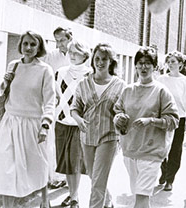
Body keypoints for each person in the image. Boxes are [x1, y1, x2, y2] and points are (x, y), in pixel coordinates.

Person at [0, 31, 55, 208]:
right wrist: (5, 83)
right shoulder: (13, 65)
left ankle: (44, 201)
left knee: (38, 167)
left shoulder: (45, 70)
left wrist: (45, 125)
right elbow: (5, 92)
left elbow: (50, 100)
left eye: (33, 44)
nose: (28, 48)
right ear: (20, 45)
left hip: (33, 124)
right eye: (25, 43)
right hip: (10, 122)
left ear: (39, 47)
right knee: (6, 169)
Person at [113, 47, 179, 208]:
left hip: (152, 151)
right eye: (140, 63)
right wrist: (118, 118)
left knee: (141, 199)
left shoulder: (161, 91)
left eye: (148, 63)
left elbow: (174, 120)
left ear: (155, 67)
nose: (143, 67)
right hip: (130, 149)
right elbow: (117, 110)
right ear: (135, 66)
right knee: (139, 197)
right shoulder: (128, 90)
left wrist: (151, 121)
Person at [71, 43, 126, 208]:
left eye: (104, 59)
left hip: (109, 135)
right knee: (93, 175)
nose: (100, 62)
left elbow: (123, 110)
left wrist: (121, 118)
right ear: (92, 61)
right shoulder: (83, 84)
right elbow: (75, 109)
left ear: (111, 62)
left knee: (98, 181)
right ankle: (108, 202)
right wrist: (78, 120)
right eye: (97, 59)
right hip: (87, 135)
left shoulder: (120, 85)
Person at [54, 40, 92, 208]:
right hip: (61, 121)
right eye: (70, 52)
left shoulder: (91, 74)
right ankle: (71, 195)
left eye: (76, 52)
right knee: (66, 163)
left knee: (75, 160)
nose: (72, 56)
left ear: (85, 54)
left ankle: (75, 197)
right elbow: (55, 95)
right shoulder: (60, 72)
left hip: (80, 124)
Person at [157, 51, 186, 191]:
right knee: (162, 148)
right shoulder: (161, 79)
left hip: (179, 118)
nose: (170, 64)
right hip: (162, 118)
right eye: (169, 61)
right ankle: (164, 171)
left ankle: (170, 179)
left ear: (180, 64)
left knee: (175, 149)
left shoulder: (185, 81)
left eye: (173, 61)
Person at [43, 26, 73, 190]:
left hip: (74, 104)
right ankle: (55, 176)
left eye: (62, 40)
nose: (59, 44)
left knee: (71, 141)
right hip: (56, 103)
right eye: (57, 41)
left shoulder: (78, 53)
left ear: (70, 38)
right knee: (53, 139)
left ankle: (70, 178)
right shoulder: (51, 56)